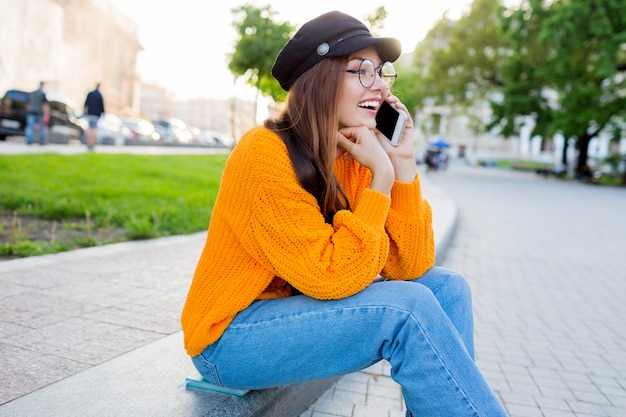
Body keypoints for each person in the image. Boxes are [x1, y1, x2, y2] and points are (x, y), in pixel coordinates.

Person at [181, 11, 509, 417]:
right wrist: (381, 181)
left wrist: (401, 162)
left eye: (381, 72)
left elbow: (411, 264)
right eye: (361, 71)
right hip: (229, 340)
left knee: (447, 289)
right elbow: (329, 277)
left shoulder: (357, 156)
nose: (378, 85)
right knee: (407, 310)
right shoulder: (264, 154)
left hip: (292, 314)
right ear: (320, 80)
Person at [26, 81, 49, 145]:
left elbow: (28, 104)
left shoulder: (32, 93)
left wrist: (28, 111)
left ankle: (29, 141)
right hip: (39, 113)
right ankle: (41, 142)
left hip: (31, 112)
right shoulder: (42, 94)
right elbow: (44, 105)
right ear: (43, 85)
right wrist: (46, 114)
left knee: (30, 127)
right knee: (42, 127)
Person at [83, 83, 105, 150]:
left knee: (89, 129)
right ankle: (92, 144)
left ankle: (89, 143)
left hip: (89, 114)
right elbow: (102, 106)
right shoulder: (99, 95)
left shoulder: (90, 94)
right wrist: (103, 114)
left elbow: (86, 104)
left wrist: (85, 112)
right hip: (96, 115)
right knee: (93, 130)